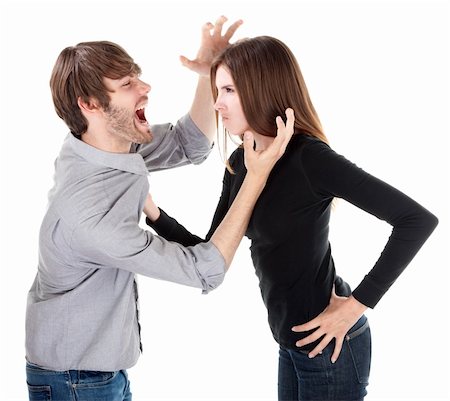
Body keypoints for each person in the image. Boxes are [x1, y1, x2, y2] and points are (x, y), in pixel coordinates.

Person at [143, 36, 439, 401]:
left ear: (262, 88)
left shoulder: (309, 158)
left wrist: (356, 305)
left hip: (331, 345)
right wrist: (153, 212)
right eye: (216, 90)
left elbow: (416, 220)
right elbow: (210, 253)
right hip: (291, 343)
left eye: (228, 90)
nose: (217, 104)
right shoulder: (241, 163)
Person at [25, 18, 296, 401]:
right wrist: (256, 177)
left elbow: (190, 144)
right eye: (127, 85)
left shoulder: (102, 146)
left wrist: (206, 74)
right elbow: (204, 269)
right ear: (90, 105)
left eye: (137, 76)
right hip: (74, 381)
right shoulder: (89, 217)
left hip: (96, 372)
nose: (145, 88)